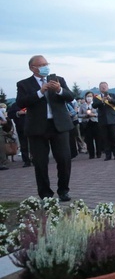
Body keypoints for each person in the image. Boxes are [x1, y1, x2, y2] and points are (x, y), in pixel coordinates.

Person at [15, 55, 75, 200]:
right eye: (41, 65)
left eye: (46, 64)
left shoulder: (58, 79)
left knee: (64, 159)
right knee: (40, 163)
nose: (45, 67)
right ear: (32, 68)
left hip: (58, 125)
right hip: (37, 128)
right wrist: (40, 92)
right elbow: (21, 102)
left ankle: (63, 191)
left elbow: (70, 96)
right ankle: (45, 194)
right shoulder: (24, 84)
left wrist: (60, 90)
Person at [92, 82, 115, 161]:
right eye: (102, 87)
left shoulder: (113, 95)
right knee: (105, 138)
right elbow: (94, 105)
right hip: (102, 120)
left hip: (112, 119)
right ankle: (108, 155)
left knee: (114, 138)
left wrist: (110, 99)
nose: (103, 88)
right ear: (99, 88)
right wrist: (102, 101)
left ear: (107, 87)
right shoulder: (97, 97)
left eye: (105, 86)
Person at [78, 91, 102, 159]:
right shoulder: (82, 105)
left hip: (95, 122)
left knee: (98, 139)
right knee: (89, 139)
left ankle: (99, 153)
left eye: (90, 96)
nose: (89, 98)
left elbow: (99, 113)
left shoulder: (95, 104)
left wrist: (93, 115)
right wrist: (85, 115)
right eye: (88, 96)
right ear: (85, 97)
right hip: (86, 123)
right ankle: (91, 154)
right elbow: (79, 115)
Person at [7, 102, 32, 167]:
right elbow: (10, 115)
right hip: (21, 127)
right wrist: (18, 113)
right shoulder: (15, 105)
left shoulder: (31, 102)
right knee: (23, 145)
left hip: (33, 127)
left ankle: (35, 159)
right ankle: (26, 161)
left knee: (34, 144)